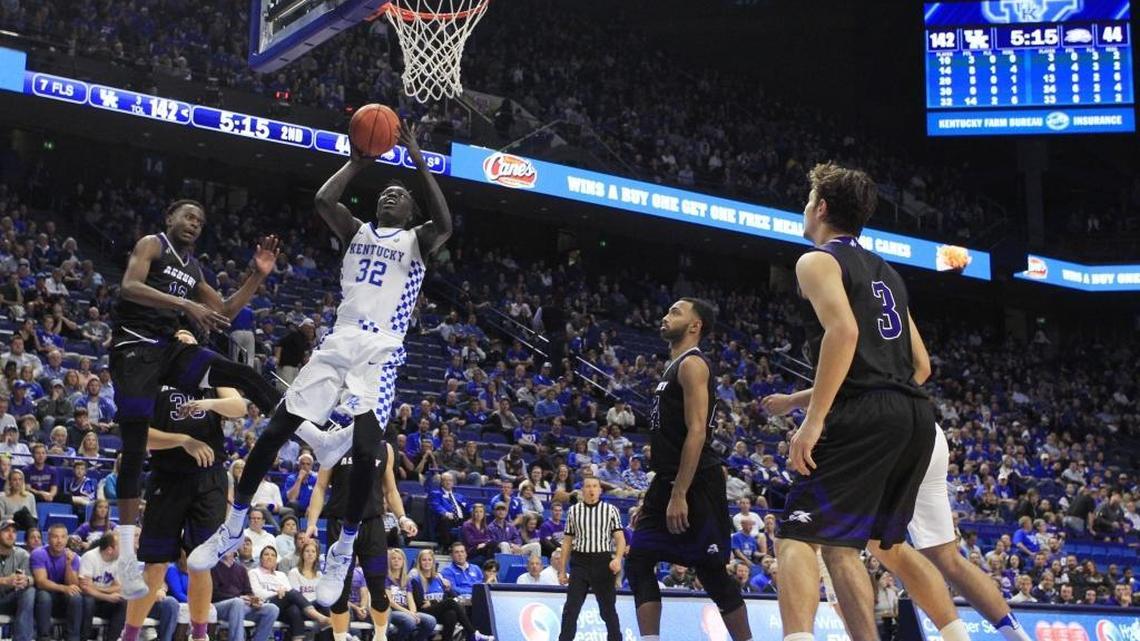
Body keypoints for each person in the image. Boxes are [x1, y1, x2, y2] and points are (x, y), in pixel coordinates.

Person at [192, 125, 451, 601]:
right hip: (338, 340)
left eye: (401, 196)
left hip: (381, 348)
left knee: (369, 453)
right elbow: (323, 201)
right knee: (275, 429)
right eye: (386, 193)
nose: (392, 197)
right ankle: (232, 524)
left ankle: (343, 547)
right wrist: (357, 162)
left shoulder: (418, 241)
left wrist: (417, 158)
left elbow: (446, 222)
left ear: (412, 211)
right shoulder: (357, 229)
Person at [773, 164, 938, 641]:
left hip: (864, 412)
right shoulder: (889, 273)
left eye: (808, 201)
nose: (805, 209)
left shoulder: (817, 260)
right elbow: (921, 367)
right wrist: (799, 399)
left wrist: (813, 419)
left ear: (821, 208)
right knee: (843, 547)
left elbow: (842, 333)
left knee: (797, 534)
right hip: (913, 414)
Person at [109, 199, 282, 599]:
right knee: (135, 447)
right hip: (134, 349)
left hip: (168, 351)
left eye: (200, 221)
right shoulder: (151, 245)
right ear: (169, 217)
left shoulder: (192, 268)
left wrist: (256, 276)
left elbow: (222, 311)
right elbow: (130, 287)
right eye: (188, 216)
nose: (194, 224)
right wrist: (185, 304)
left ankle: (303, 426)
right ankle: (124, 558)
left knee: (237, 372)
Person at [626, 298, 751, 641]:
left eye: (676, 312)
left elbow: (697, 431)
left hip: (696, 483)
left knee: (711, 572)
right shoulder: (672, 366)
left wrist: (679, 492)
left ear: (695, 326)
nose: (666, 317)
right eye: (667, 311)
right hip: (667, 479)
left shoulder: (693, 365)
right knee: (638, 562)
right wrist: (655, 493)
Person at [124, 362, 249, 641]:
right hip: (167, 478)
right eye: (179, 336)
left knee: (200, 563)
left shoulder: (208, 371)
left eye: (190, 336)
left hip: (209, 479)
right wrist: (183, 440)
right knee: (154, 567)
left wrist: (208, 404)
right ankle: (129, 636)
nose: (185, 339)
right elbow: (139, 435)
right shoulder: (152, 375)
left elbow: (238, 407)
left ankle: (199, 635)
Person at [308, 439, 418, 641]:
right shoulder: (334, 443)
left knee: (378, 587)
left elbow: (391, 490)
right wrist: (312, 522)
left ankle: (380, 636)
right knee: (340, 591)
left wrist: (402, 517)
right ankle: (340, 638)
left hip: (372, 525)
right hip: (340, 524)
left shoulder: (384, 448)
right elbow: (320, 486)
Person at [558, 476, 625, 641]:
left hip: (603, 562)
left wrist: (617, 558)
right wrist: (562, 571)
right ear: (583, 490)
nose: (591, 489)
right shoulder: (574, 511)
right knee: (571, 609)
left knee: (608, 610)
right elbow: (567, 542)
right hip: (580, 562)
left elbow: (620, 538)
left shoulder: (611, 510)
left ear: (600, 490)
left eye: (595, 486)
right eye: (588, 486)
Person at [247, 546, 330, 641]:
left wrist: (283, 592)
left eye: (273, 555)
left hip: (283, 607)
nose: (270, 557)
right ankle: (318, 617)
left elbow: (288, 591)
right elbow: (258, 593)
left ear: (276, 560)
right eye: (266, 554)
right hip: (266, 605)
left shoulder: (281, 575)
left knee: (294, 609)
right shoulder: (254, 572)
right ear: (261, 558)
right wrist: (276, 592)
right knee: (291, 594)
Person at [409, 548, 492, 641]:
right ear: (419, 562)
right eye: (424, 560)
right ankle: (473, 633)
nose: (427, 562)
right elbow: (421, 604)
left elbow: (450, 596)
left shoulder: (439, 578)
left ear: (433, 562)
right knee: (450, 603)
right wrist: (436, 602)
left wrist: (447, 590)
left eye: (429, 560)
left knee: (451, 614)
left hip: (437, 611)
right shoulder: (415, 579)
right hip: (424, 612)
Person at [31, 523, 88, 641]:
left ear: (67, 539)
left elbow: (73, 585)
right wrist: (64, 588)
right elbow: (41, 582)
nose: (59, 541)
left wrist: (68, 564)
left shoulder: (73, 557)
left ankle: (72, 638)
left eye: (63, 537)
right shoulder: (39, 553)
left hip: (62, 598)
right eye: (55, 537)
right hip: (45, 594)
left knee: (76, 597)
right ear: (48, 538)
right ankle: (44, 637)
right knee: (44, 596)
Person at [211, 551, 280, 641]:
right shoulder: (212, 567)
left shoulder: (241, 569)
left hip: (241, 606)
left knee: (272, 609)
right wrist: (237, 598)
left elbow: (248, 592)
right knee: (237, 602)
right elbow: (214, 594)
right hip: (219, 606)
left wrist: (253, 600)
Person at [78, 533, 128, 641]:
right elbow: (85, 588)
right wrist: (107, 596)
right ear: (110, 549)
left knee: (122, 602)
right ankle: (84, 638)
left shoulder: (119, 560)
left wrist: (95, 588)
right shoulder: (90, 557)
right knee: (88, 600)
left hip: (103, 601)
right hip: (89, 600)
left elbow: (119, 587)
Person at [386, 549, 436, 641]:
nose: (396, 560)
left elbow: (410, 599)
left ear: (403, 562)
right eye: (393, 558)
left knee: (430, 621)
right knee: (410, 621)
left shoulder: (406, 579)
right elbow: (390, 602)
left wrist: (413, 612)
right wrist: (409, 613)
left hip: (406, 612)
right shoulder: (386, 578)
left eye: (399, 559)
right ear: (389, 561)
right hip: (392, 612)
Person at [0, 518, 35, 641]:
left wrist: (27, 580)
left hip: (9, 600)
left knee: (30, 592)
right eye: (6, 531)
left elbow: (33, 579)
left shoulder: (22, 554)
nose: (11, 534)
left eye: (14, 531)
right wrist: (4, 580)